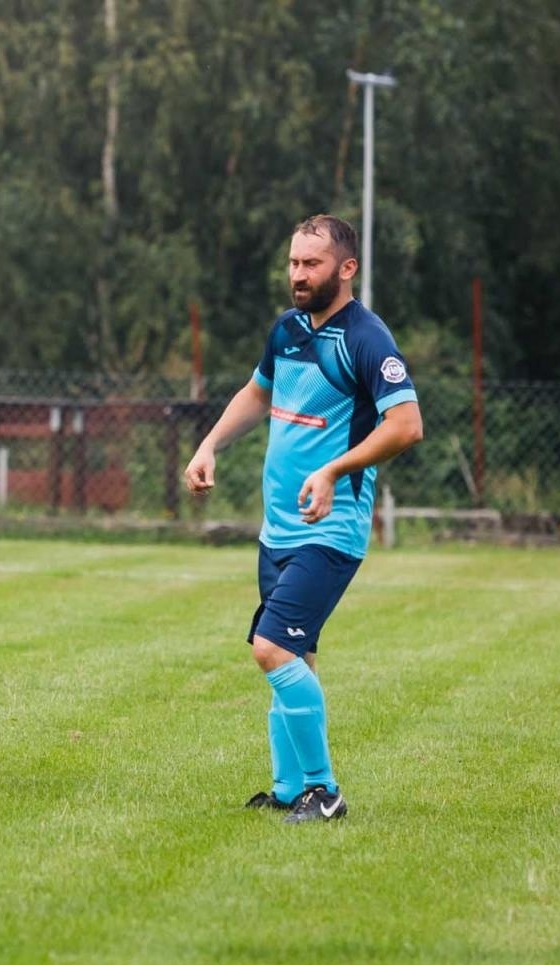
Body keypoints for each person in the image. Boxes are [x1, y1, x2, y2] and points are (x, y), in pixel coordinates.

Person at [185, 214, 422, 823]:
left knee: (271, 649)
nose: (298, 274)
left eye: (311, 264)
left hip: (331, 531)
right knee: (296, 657)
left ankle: (325, 791)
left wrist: (334, 470)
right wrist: (209, 444)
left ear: (346, 269)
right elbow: (257, 394)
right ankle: (290, 789)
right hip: (278, 533)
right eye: (293, 262)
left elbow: (406, 425)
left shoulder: (366, 339)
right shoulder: (287, 330)